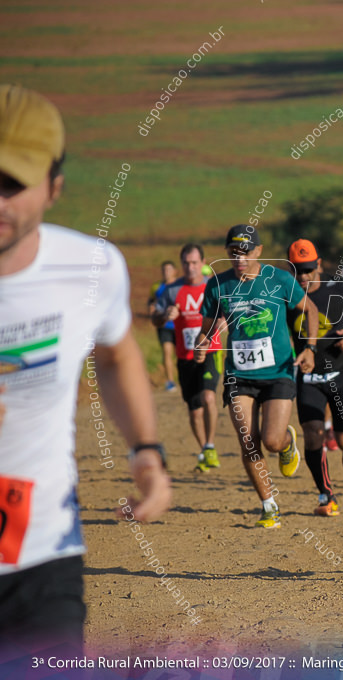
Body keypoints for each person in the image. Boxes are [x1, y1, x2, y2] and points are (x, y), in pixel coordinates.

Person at [0, 84, 172, 651]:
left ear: (54, 188)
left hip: (42, 554)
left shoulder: (89, 268)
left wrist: (145, 452)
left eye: (10, 185)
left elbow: (117, 353)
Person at [193, 224, 320, 529]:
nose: (239, 258)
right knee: (249, 442)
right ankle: (269, 505)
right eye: (233, 253)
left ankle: (287, 442)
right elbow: (207, 328)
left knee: (271, 440)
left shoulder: (279, 279)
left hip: (277, 371)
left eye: (245, 252)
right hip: (239, 375)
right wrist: (201, 344)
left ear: (259, 251)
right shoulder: (218, 285)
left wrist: (311, 348)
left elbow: (311, 310)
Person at [285, 239, 343, 516]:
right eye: (298, 271)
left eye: (308, 269)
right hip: (309, 376)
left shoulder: (340, 287)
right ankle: (326, 495)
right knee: (313, 436)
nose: (303, 276)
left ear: (319, 264)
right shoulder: (287, 296)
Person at [152, 243, 225, 472]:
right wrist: (165, 315)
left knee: (209, 397)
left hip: (211, 351)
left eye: (194, 262)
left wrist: (220, 325)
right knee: (194, 411)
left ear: (202, 263)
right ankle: (204, 450)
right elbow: (155, 319)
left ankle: (211, 445)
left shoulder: (212, 287)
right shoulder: (172, 290)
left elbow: (225, 317)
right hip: (185, 356)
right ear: (181, 264)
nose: (190, 267)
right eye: (186, 263)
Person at [148, 260, 179, 391]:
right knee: (167, 352)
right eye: (164, 270)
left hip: (179, 325)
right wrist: (152, 314)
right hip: (164, 325)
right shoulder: (157, 287)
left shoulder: (180, 285)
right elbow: (151, 303)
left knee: (181, 354)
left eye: (169, 270)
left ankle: (183, 377)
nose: (166, 273)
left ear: (174, 271)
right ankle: (170, 381)